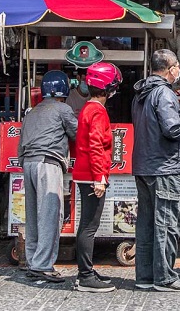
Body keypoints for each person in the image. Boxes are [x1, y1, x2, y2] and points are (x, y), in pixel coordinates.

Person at [132, 49, 180, 292]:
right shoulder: (164, 94)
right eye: (177, 66)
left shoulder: (140, 93)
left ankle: (145, 276)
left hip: (144, 166)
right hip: (164, 167)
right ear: (171, 69)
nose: (178, 70)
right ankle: (165, 277)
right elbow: (171, 129)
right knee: (167, 222)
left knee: (147, 223)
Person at [19, 70, 78, 284]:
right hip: (48, 163)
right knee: (50, 214)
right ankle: (43, 266)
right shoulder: (63, 109)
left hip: (28, 164)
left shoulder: (31, 113)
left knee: (33, 215)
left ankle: (33, 262)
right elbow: (78, 133)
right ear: (63, 90)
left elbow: (20, 146)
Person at [72, 62, 122, 293]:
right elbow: (95, 146)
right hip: (92, 175)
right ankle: (84, 276)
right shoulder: (97, 111)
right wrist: (99, 177)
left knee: (87, 224)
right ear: (106, 88)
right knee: (89, 226)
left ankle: (87, 270)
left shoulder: (87, 108)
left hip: (85, 173)